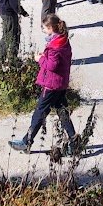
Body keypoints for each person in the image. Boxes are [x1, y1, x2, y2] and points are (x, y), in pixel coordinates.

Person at [11, 13, 77, 155]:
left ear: (51, 28)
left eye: (44, 29)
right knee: (62, 111)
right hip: (61, 83)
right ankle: (74, 140)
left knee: (40, 112)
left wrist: (39, 59)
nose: (43, 31)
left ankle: (26, 142)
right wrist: (45, 56)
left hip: (52, 84)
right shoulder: (63, 40)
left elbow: (52, 66)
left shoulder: (54, 46)